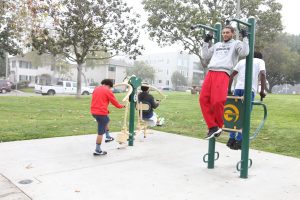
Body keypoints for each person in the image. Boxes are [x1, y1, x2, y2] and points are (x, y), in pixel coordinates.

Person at [200, 25, 249, 139]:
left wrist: (245, 37)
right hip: (211, 72)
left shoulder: (236, 43)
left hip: (223, 72)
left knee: (217, 101)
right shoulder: (217, 45)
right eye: (223, 33)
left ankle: (218, 125)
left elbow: (244, 53)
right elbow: (205, 55)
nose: (225, 34)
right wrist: (206, 42)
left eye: (227, 32)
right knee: (203, 99)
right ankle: (213, 127)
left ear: (233, 33)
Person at [226, 51, 267, 150]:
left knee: (235, 114)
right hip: (248, 90)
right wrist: (262, 91)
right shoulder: (260, 61)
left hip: (238, 89)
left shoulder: (242, 61)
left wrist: (229, 90)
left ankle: (231, 139)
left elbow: (231, 75)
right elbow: (263, 74)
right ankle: (240, 141)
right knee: (245, 116)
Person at [90, 79, 125, 156]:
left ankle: (108, 137)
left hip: (94, 112)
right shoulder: (108, 90)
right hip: (101, 113)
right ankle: (97, 150)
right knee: (100, 133)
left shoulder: (96, 89)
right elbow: (114, 102)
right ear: (109, 85)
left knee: (107, 120)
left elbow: (98, 100)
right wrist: (121, 106)